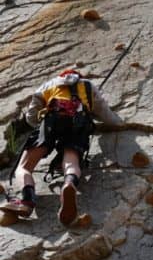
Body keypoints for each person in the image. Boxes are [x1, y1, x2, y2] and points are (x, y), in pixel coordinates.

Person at [1, 68, 123, 224]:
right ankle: (69, 183)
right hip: (80, 121)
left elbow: (32, 115)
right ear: (79, 76)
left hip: (52, 119)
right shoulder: (87, 85)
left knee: (23, 167)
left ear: (61, 76)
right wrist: (120, 123)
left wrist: (38, 125)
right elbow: (104, 112)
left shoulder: (49, 84)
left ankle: (27, 200)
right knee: (71, 161)